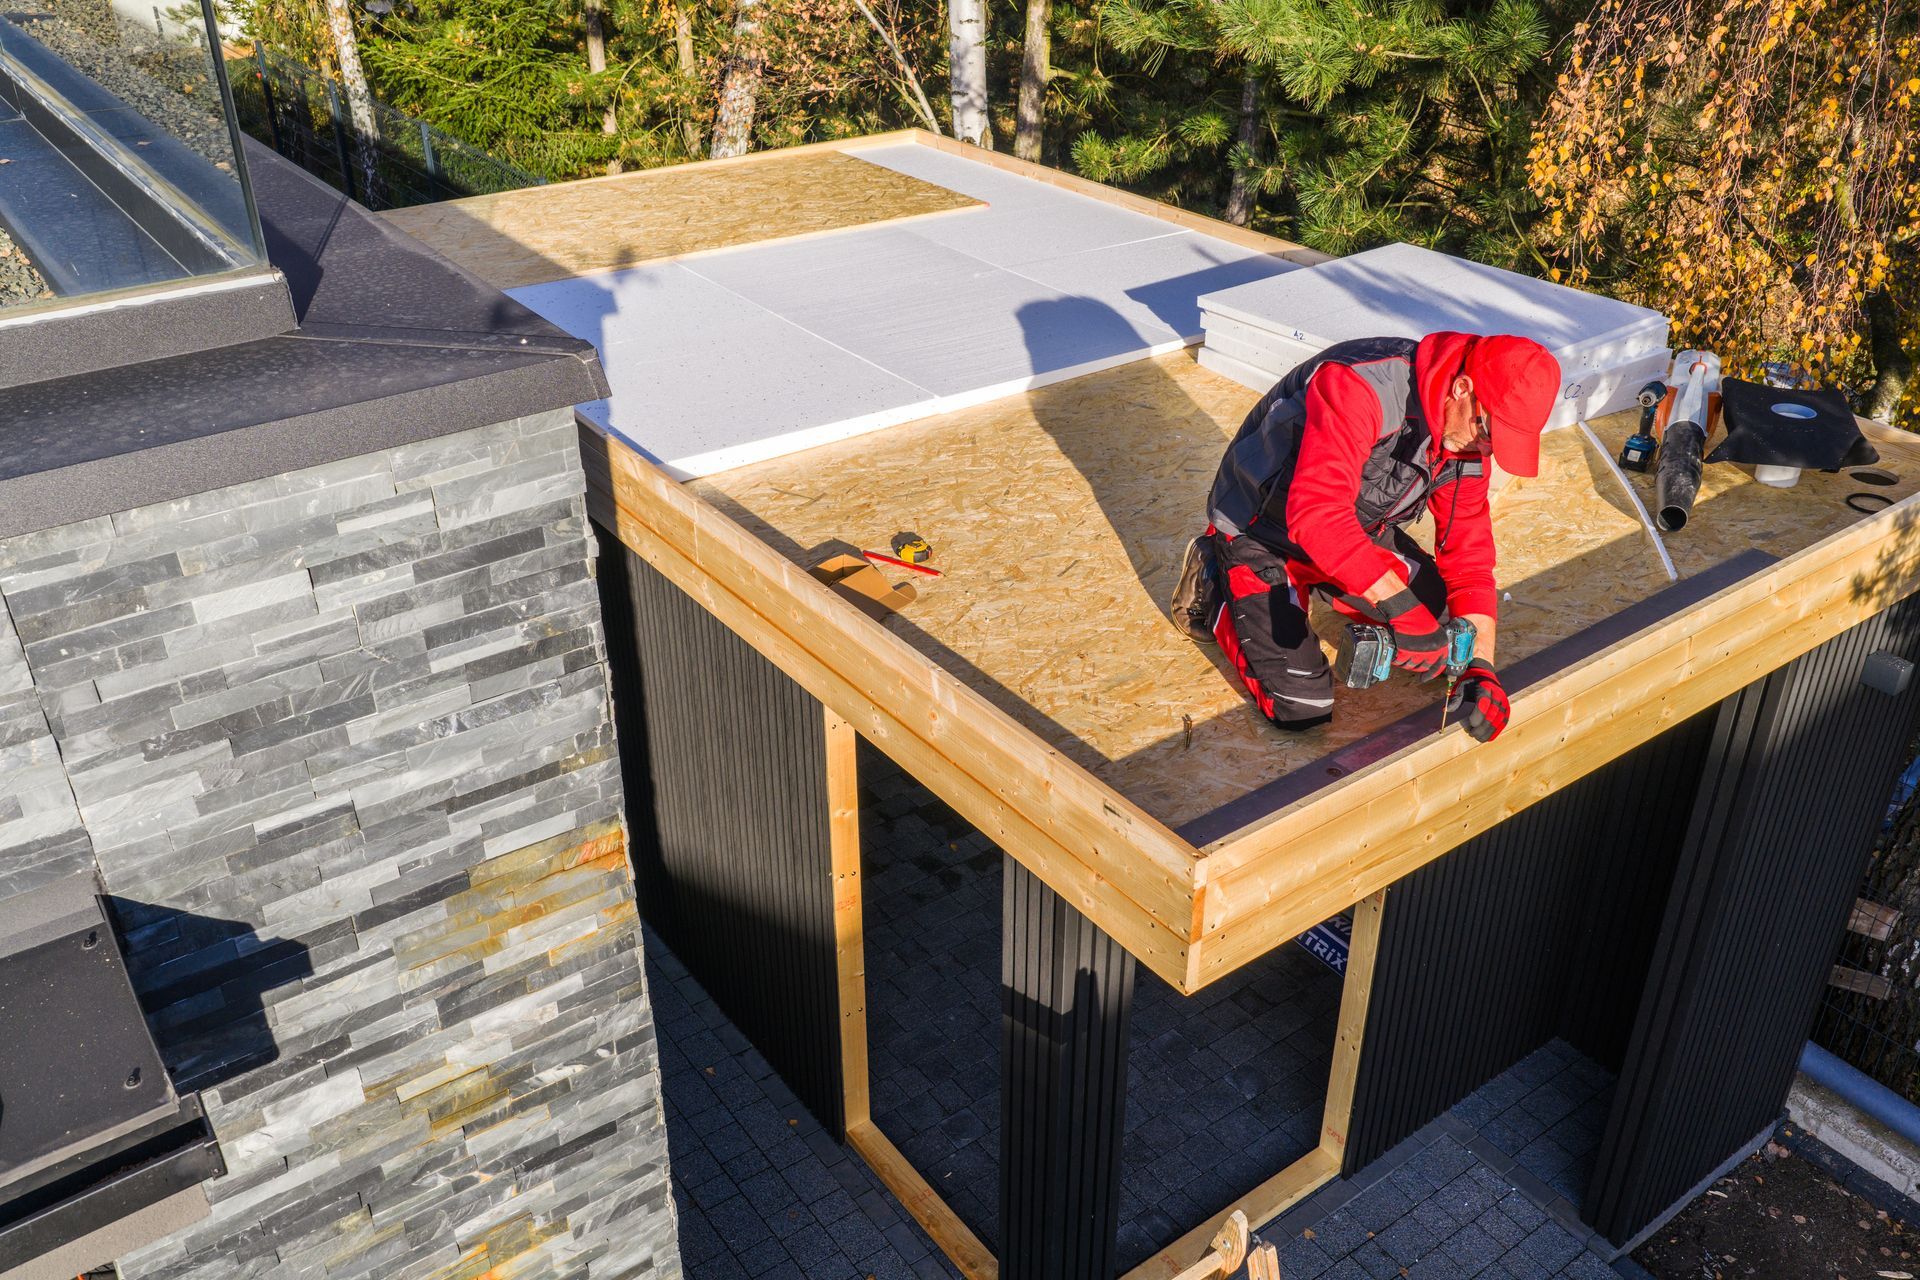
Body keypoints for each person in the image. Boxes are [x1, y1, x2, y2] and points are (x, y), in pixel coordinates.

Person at [1172, 332, 1560, 743]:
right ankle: (1215, 577)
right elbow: (1317, 516)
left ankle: (1333, 581)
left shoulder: (1464, 439)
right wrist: (1402, 611)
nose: (1486, 450)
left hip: (1356, 531)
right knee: (1300, 706)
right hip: (1263, 531)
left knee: (1451, 627)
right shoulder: (1361, 384)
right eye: (1488, 433)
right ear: (1463, 388)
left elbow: (1469, 562)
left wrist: (1481, 665)